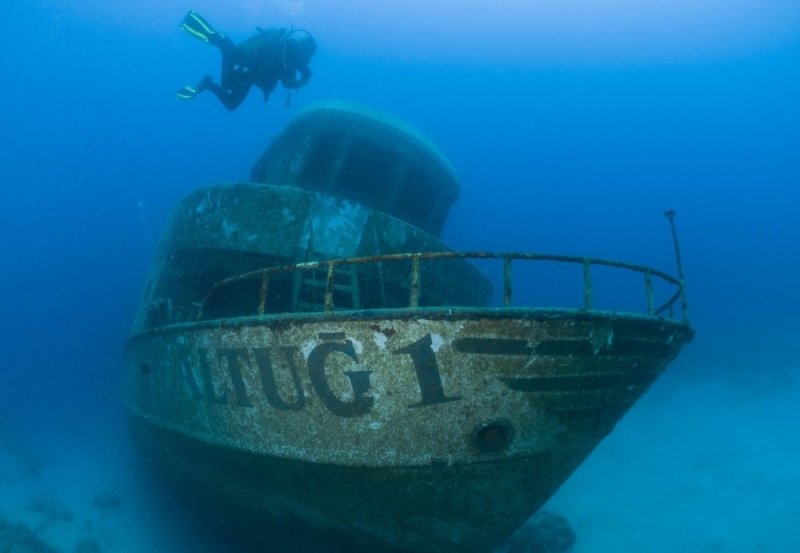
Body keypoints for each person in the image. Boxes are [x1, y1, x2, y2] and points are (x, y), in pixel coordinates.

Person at [176, 10, 316, 111]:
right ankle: (220, 41)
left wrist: (305, 75)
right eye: (309, 56)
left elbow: (288, 79)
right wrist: (304, 79)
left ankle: (208, 83)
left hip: (250, 73)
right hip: (249, 65)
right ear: (306, 51)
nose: (308, 60)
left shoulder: (293, 55)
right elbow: (288, 83)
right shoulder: (292, 55)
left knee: (231, 104)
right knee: (228, 54)